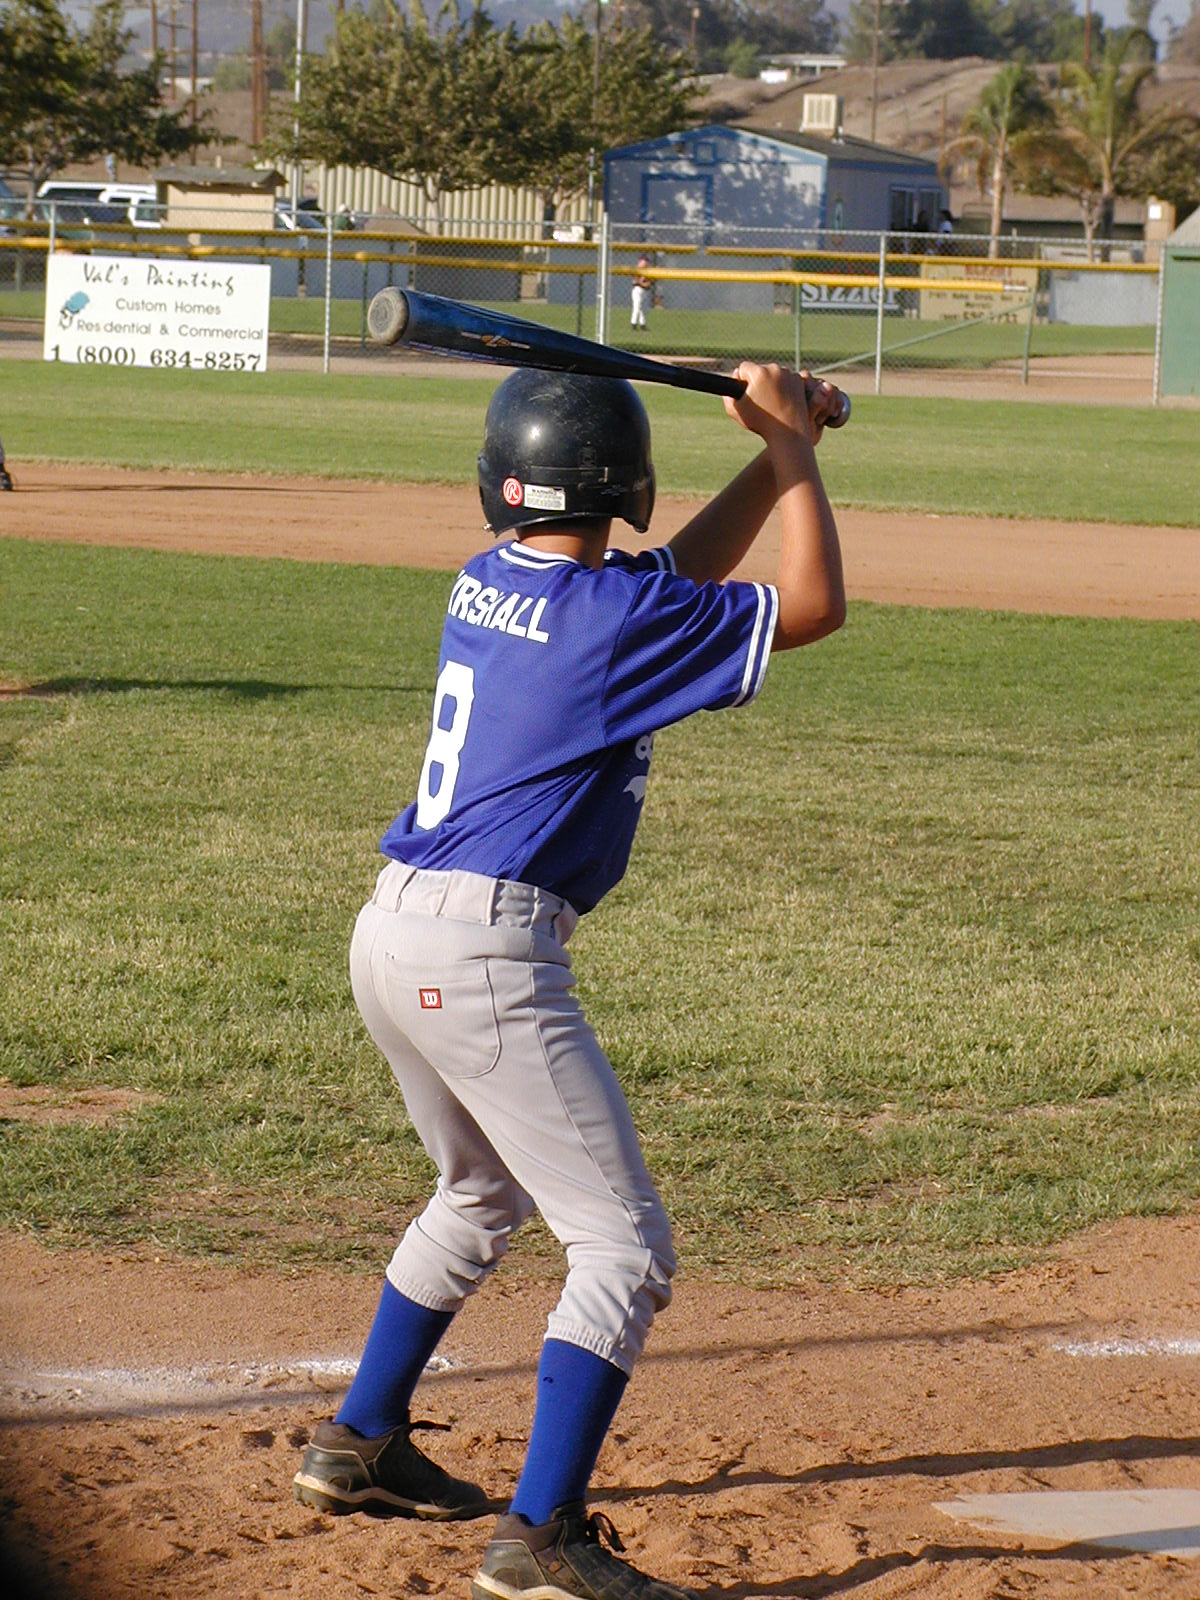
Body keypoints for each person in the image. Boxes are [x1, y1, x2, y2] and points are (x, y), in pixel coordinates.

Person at [292, 360, 846, 1600]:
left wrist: (773, 454)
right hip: (485, 953)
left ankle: (359, 1441)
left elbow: (669, 582)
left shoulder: (496, 580)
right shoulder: (613, 618)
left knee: (480, 1190)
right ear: (628, 486)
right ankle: (540, 1540)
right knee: (624, 1249)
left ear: (502, 483)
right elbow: (811, 606)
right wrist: (796, 452)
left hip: (395, 930)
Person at [630, 255, 653, 329]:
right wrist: (641, 282)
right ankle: (633, 323)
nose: (645, 263)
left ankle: (643, 324)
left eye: (646, 261)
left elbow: (648, 284)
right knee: (636, 307)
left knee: (644, 309)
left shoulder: (648, 272)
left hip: (645, 291)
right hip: (637, 290)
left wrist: (641, 282)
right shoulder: (637, 270)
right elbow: (634, 282)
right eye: (643, 261)